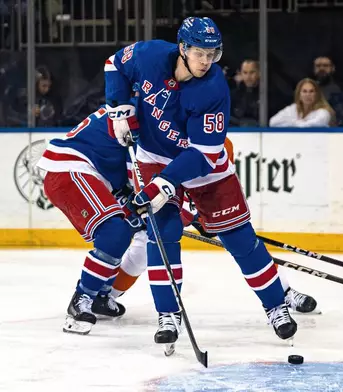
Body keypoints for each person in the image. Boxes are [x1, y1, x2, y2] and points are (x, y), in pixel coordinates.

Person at [103, 16, 305, 347]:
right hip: (154, 156)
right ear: (182, 48)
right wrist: (119, 107)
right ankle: (168, 314)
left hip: (205, 166)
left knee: (240, 239)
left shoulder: (213, 89)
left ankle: (276, 307)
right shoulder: (151, 55)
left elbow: (203, 155)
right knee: (162, 235)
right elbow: (115, 65)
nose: (206, 61)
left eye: (213, 54)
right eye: (200, 53)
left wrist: (165, 183)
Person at [36, 105, 145, 335]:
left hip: (89, 171)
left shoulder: (139, 105)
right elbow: (140, 183)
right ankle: (83, 297)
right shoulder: (141, 115)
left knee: (125, 227)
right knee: (115, 231)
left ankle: (100, 296)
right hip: (70, 168)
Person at [269, 78, 335, 127]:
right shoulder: (293, 108)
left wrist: (292, 122)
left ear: (316, 94)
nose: (308, 95)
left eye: (311, 91)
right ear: (299, 95)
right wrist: (296, 122)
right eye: (304, 91)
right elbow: (273, 122)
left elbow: (315, 124)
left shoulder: (323, 112)